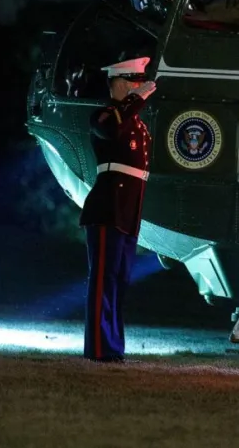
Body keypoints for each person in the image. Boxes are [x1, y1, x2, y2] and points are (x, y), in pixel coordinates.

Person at [78, 56, 156, 362]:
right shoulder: (105, 115)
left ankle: (112, 348)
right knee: (102, 281)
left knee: (119, 282)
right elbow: (110, 130)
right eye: (135, 83)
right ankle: (98, 348)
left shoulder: (134, 123)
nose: (140, 89)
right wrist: (135, 100)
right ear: (120, 83)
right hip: (107, 208)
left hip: (127, 212)